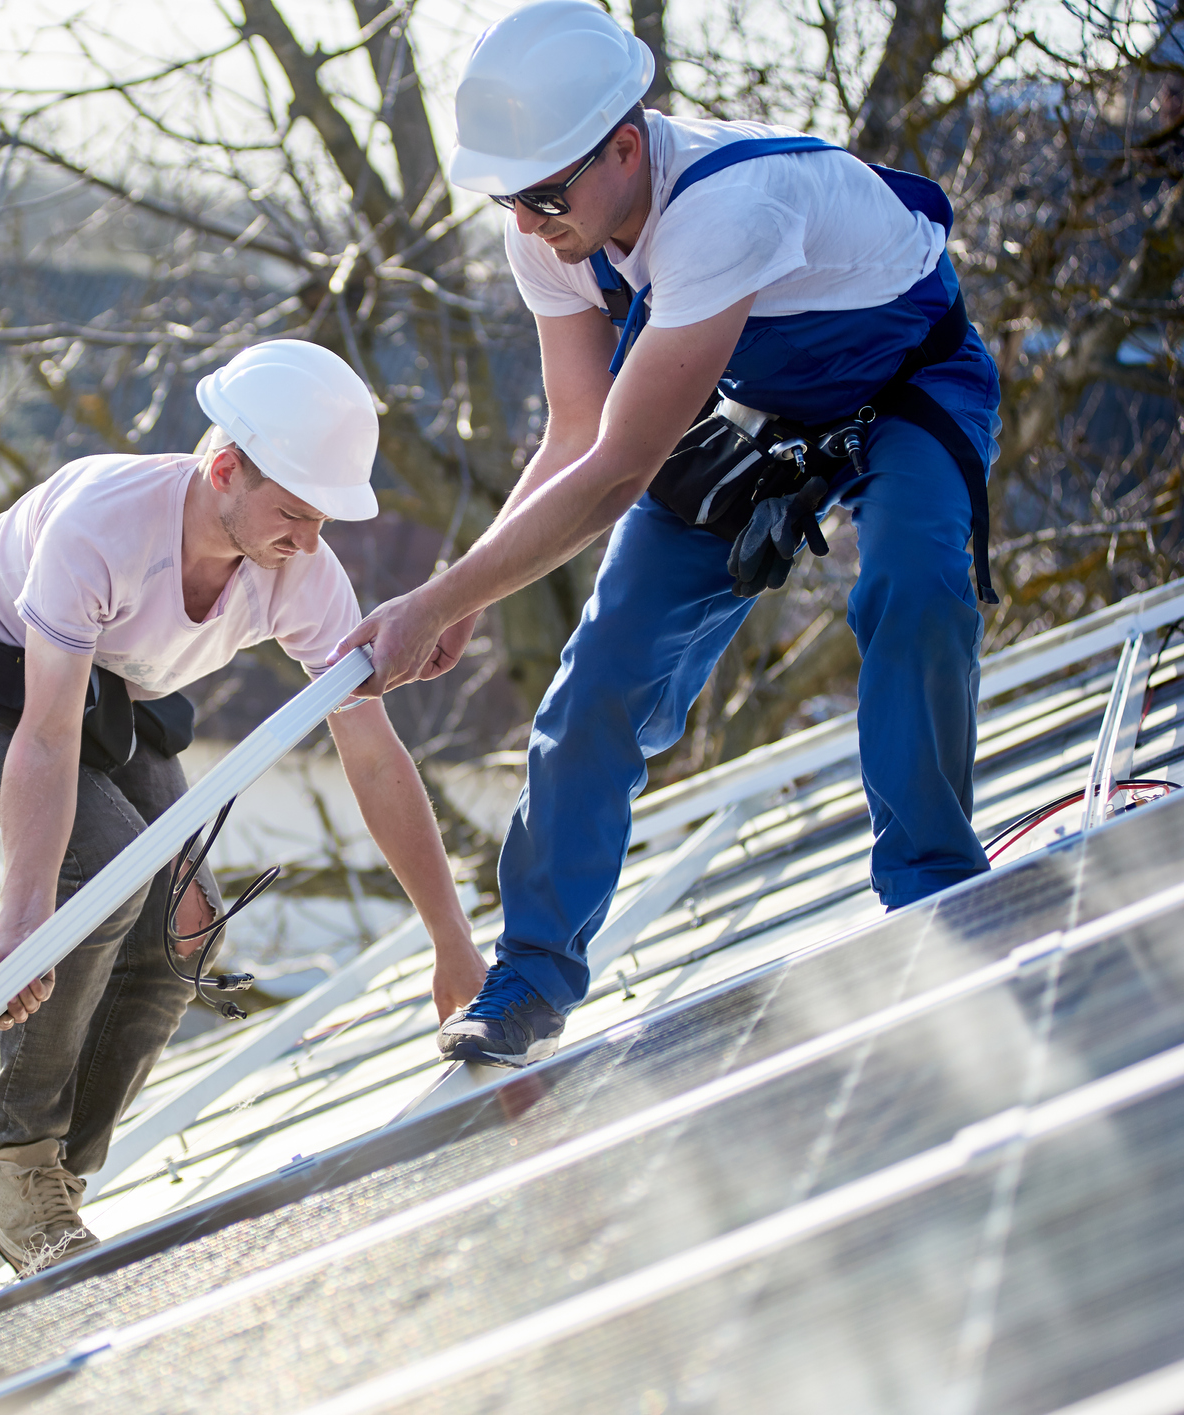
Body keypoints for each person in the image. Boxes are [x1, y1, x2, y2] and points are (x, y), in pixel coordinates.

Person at [340, 0, 1003, 1070]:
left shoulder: (728, 206)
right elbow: (570, 436)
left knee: (914, 586)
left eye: (546, 194)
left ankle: (932, 889)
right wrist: (459, 594)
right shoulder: (555, 234)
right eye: (509, 197)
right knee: (600, 669)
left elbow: (614, 474)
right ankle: (529, 977)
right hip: (754, 417)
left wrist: (437, 600)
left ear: (626, 144)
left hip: (906, 387)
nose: (526, 221)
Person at [0, 339, 486, 1274]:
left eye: (322, 518)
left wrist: (448, 936)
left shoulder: (301, 571)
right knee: (103, 873)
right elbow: (43, 736)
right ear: (222, 470)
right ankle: (10, 1153)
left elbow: (373, 757)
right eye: (291, 512)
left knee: (186, 925)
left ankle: (53, 1177)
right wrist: (21, 927)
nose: (308, 540)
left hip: (108, 685)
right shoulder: (101, 524)